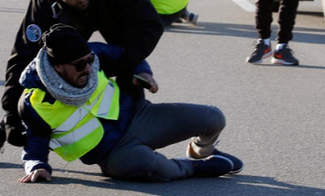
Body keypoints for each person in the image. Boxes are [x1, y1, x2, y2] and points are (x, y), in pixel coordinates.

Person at [0, 0, 164, 165]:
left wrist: (124, 65)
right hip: (66, 21)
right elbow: (22, 58)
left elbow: (150, 27)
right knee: (48, 72)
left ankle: (134, 136)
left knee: (129, 65)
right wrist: (13, 116)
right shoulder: (44, 0)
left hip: (109, 8)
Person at [18, 25, 243, 183]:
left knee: (214, 118)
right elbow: (34, 144)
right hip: (114, 155)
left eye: (89, 61)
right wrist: (37, 166)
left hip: (140, 117)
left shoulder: (92, 54)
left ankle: (201, 151)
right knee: (155, 167)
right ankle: (193, 167)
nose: (88, 68)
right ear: (58, 67)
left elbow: (129, 56)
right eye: (79, 65)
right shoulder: (34, 103)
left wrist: (143, 71)